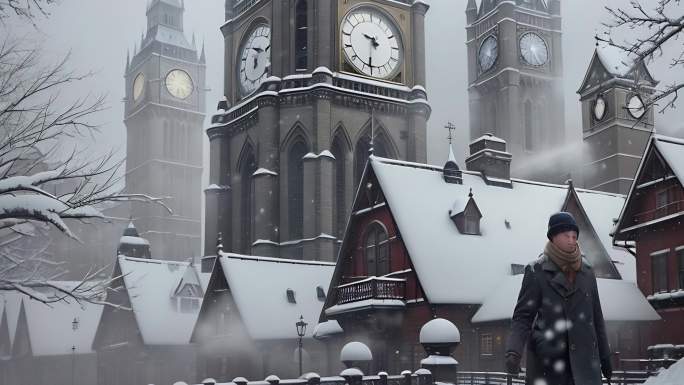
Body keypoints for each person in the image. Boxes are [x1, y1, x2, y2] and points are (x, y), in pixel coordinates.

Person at [504, 212, 612, 385]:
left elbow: (596, 317)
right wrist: (514, 351)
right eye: (566, 235)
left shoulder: (587, 272)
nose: (571, 240)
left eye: (574, 236)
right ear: (553, 237)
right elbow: (523, 317)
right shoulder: (536, 271)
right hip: (549, 365)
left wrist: (605, 356)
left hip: (585, 367)